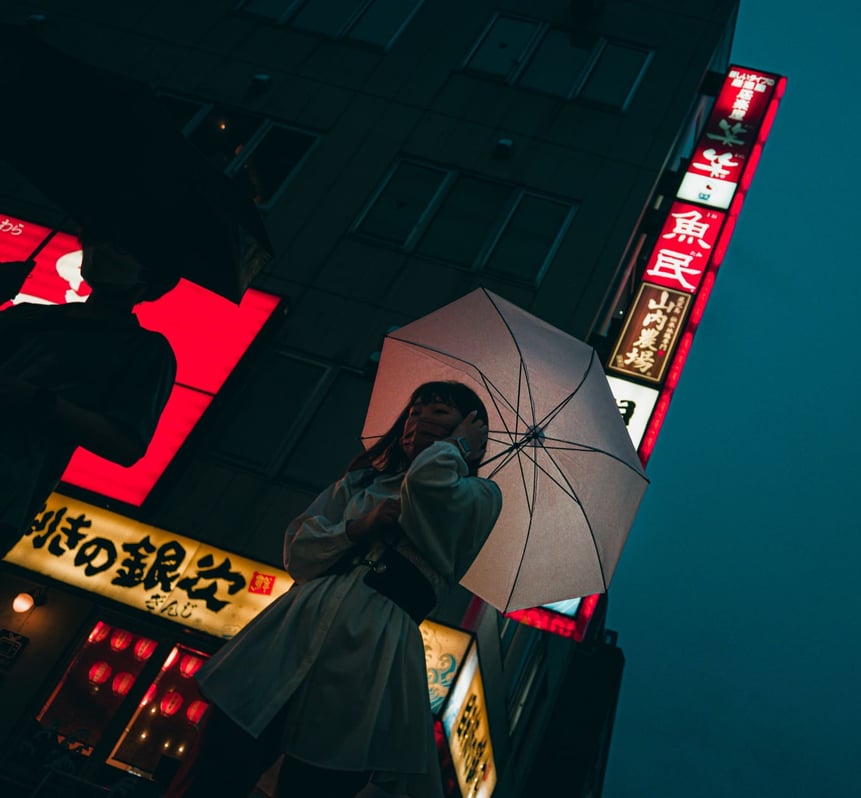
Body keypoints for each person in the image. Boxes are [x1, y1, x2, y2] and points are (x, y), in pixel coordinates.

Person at [168, 381, 501, 798]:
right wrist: (359, 527)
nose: (419, 421)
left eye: (438, 413)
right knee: (219, 760)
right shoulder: (361, 484)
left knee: (320, 775)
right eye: (414, 412)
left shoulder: (480, 495)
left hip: (376, 641)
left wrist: (456, 450)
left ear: (471, 430)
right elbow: (299, 552)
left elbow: (428, 483)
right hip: (301, 621)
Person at [0, 231, 179, 555]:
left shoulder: (143, 350)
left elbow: (125, 445)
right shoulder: (26, 316)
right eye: (104, 237)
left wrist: (37, 400)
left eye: (124, 247)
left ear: (148, 278)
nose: (105, 250)